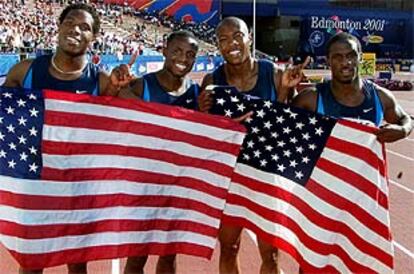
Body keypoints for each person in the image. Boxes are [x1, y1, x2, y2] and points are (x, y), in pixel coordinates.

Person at [2, 3, 132, 274]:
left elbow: (130, 122)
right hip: (36, 181)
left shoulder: (101, 81)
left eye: (85, 27)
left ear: (94, 37)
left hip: (78, 182)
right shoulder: (24, 71)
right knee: (32, 262)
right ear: (59, 27)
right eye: (70, 23)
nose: (75, 29)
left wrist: (120, 90)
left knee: (77, 262)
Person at [197, 17, 309, 274]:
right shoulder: (212, 81)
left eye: (237, 36)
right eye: (223, 40)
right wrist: (203, 112)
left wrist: (284, 92)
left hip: (266, 175)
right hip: (230, 177)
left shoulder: (274, 73)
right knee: (229, 248)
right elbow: (206, 134)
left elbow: (285, 124)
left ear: (250, 38)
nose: (231, 44)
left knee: (270, 254)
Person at [120, 30, 200, 274]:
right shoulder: (141, 86)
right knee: (136, 258)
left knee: (168, 256)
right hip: (144, 186)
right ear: (164, 51)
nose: (182, 58)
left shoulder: (196, 94)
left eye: (190, 54)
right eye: (176, 51)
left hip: (177, 185)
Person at [292, 32, 412, 143]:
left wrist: (404, 130)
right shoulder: (310, 99)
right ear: (328, 61)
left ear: (360, 57)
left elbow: (405, 119)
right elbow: (284, 134)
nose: (345, 62)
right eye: (338, 57)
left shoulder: (381, 97)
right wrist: (287, 89)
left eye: (351, 56)